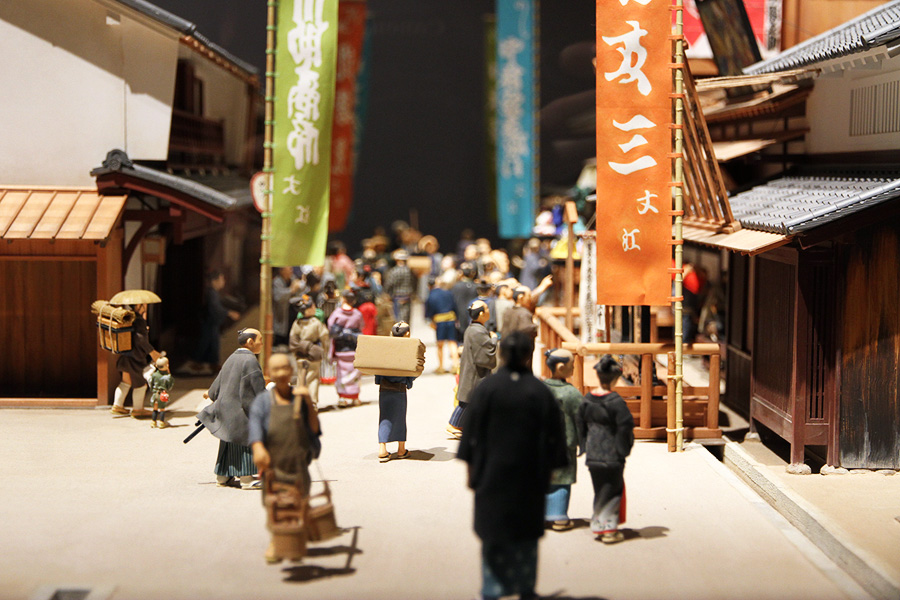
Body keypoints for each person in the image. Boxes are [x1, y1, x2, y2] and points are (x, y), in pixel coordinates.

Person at [457, 332, 568, 600]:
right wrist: (551, 471)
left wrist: (471, 473)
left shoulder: (487, 389)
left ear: (502, 355)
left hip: (491, 475)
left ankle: (492, 589)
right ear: (529, 355)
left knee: (493, 536)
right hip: (530, 476)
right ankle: (525, 588)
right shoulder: (539, 391)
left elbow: (469, 434)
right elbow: (556, 437)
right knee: (526, 537)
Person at [249, 353, 321, 564]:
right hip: (273, 463)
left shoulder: (299, 398)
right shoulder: (263, 401)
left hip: (298, 462)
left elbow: (314, 429)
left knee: (299, 501)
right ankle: (276, 540)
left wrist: (308, 401)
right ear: (268, 373)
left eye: (284, 368)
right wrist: (257, 446)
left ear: (291, 371)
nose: (281, 373)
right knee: (274, 504)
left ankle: (295, 537)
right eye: (276, 369)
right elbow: (254, 425)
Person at [197, 329, 267, 490]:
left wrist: (211, 394)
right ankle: (247, 478)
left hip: (225, 410)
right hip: (241, 413)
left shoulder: (232, 357)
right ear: (250, 342)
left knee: (227, 443)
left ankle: (223, 476)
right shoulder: (250, 360)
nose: (262, 344)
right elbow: (257, 387)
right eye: (260, 340)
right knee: (247, 442)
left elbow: (216, 385)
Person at [576, 355, 635, 543]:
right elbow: (625, 428)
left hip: (593, 453)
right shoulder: (616, 402)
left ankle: (599, 524)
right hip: (612, 454)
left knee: (600, 490)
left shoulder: (587, 400)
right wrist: (624, 449)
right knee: (612, 490)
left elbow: (580, 424)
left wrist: (583, 444)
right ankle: (608, 529)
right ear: (615, 379)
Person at [542, 349, 582, 531]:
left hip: (541, 443)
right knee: (563, 479)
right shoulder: (571, 393)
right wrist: (583, 440)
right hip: (565, 444)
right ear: (560, 367)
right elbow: (581, 419)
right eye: (571, 365)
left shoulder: (540, 389)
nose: (573, 368)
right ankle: (558, 516)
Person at [447, 300, 497, 438]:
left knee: (471, 401)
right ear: (481, 314)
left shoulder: (474, 328)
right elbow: (487, 352)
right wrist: (493, 339)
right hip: (475, 372)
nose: (488, 311)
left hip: (472, 368)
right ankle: (453, 424)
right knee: (466, 401)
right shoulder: (477, 331)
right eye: (486, 309)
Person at [181, 271, 240, 376]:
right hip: (210, 322)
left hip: (211, 322)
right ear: (214, 281)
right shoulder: (211, 293)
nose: (223, 282)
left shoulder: (212, 293)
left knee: (211, 343)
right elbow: (215, 308)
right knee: (207, 343)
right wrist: (229, 313)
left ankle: (209, 364)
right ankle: (202, 363)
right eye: (222, 279)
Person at [110, 303, 160, 417]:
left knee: (126, 382)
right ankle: (138, 409)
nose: (145, 307)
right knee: (141, 384)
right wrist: (152, 352)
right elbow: (140, 339)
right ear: (138, 306)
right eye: (143, 305)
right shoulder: (139, 320)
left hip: (125, 355)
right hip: (135, 358)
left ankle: (117, 405)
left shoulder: (128, 317)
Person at [376, 322, 417, 462]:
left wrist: (379, 380)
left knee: (384, 417)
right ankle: (401, 449)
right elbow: (412, 370)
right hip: (399, 389)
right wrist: (409, 381)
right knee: (400, 418)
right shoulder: (408, 350)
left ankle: (382, 448)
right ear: (407, 334)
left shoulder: (384, 348)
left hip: (384, 388)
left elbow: (377, 367)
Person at [289, 294, 329, 408]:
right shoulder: (316, 323)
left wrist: (296, 350)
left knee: (301, 378)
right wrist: (325, 350)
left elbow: (293, 338)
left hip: (300, 353)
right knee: (313, 378)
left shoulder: (297, 323)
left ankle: (301, 401)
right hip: (312, 353)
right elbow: (324, 337)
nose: (315, 308)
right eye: (313, 306)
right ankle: (312, 402)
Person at [327, 290, 365, 407]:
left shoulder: (337, 313)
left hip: (341, 347)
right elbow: (361, 326)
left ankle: (342, 397)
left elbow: (330, 325)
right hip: (353, 346)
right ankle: (355, 397)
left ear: (343, 299)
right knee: (355, 372)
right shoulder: (357, 314)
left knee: (341, 373)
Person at [424, 272, 458, 374]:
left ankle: (441, 366)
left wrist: (430, 321)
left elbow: (429, 312)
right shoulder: (448, 292)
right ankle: (455, 365)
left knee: (440, 344)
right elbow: (454, 305)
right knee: (452, 342)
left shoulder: (431, 296)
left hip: (439, 321)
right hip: (451, 318)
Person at [384, 249, 416, 325]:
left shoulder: (394, 271)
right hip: (407, 297)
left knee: (397, 319)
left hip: (397, 297)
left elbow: (389, 284)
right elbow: (414, 283)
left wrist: (387, 293)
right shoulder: (409, 271)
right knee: (406, 319)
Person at [149, 356, 175, 429]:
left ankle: (153, 421)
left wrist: (152, 390)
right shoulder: (168, 377)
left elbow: (151, 383)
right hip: (163, 394)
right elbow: (170, 386)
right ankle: (161, 422)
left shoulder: (154, 375)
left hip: (155, 394)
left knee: (155, 409)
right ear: (167, 365)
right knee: (162, 409)